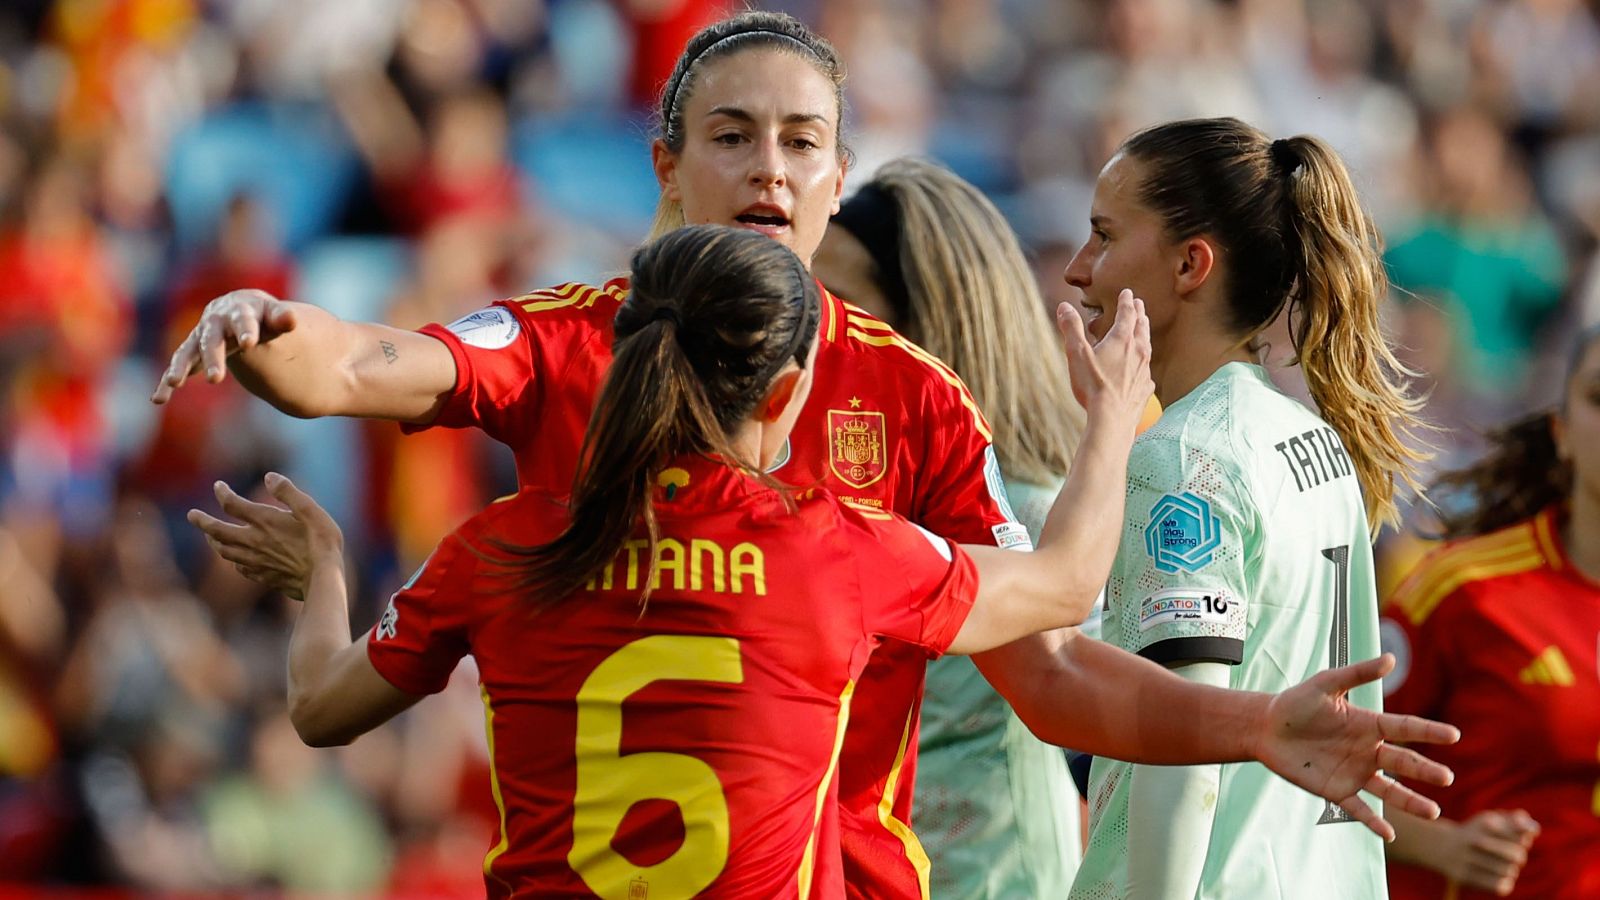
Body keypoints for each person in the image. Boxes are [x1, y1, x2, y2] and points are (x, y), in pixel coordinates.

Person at [154, 13, 1456, 896]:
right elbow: (371, 363)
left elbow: (1052, 684)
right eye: (731, 136)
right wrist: (275, 335)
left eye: (800, 142)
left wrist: (283, 356)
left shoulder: (913, 403)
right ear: (665, 168)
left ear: (840, 175)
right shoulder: (588, 356)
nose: (768, 168)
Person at [187, 222, 1160, 895]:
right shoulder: (841, 552)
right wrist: (1112, 417)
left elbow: (319, 709)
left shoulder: (498, 541)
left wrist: (321, 572)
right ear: (783, 398)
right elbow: (1068, 581)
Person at [1061, 117, 1433, 900]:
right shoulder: (1312, 439)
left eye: (1102, 235)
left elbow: (1187, 747)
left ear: (1191, 264)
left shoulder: (1185, 459)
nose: (1076, 269)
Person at [812, 157, 1088, 898]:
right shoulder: (828, 502)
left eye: (840, 300)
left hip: (995, 879)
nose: (815, 326)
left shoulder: (1035, 514)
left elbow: (1085, 704)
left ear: (924, 324)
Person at [1380, 325, 1600, 900]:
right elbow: (1321, 770)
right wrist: (1444, 845)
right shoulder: (1463, 589)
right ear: (1563, 433)